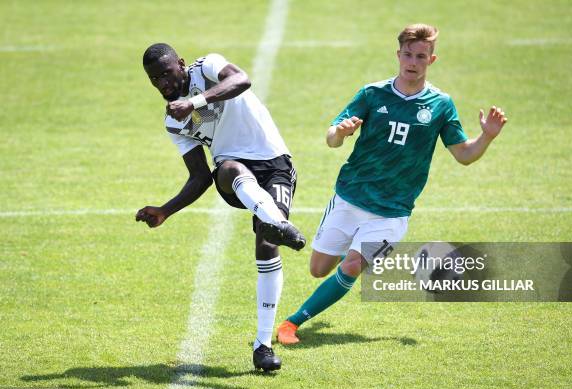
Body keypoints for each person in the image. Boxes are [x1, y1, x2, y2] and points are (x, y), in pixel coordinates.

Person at [276, 23, 508, 345]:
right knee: (318, 269)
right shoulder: (373, 94)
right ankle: (356, 256)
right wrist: (341, 132)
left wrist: (487, 136)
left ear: (432, 60)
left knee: (354, 265)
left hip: (393, 210)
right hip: (351, 196)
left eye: (421, 57)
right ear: (398, 55)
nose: (413, 62)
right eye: (408, 55)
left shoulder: (441, 104)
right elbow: (331, 138)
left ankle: (291, 323)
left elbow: (464, 155)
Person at [136, 43, 305, 371]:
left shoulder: (207, 66)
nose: (163, 84)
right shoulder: (174, 122)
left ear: (181, 64)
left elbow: (241, 79)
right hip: (234, 173)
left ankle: (263, 347)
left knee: (267, 245)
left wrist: (195, 101)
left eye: (167, 74)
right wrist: (165, 210)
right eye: (155, 80)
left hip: (275, 165)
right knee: (227, 169)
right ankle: (277, 222)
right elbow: (200, 177)